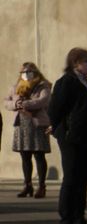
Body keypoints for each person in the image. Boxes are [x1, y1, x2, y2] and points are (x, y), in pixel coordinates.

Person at [46, 47, 87, 224]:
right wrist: (56, 128)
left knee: (83, 179)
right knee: (71, 178)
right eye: (86, 60)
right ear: (75, 63)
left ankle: (80, 218)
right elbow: (56, 108)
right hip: (72, 137)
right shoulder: (67, 82)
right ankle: (66, 219)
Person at [5, 62, 51, 198]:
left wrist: (24, 103)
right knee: (25, 156)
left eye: (29, 71)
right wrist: (15, 104)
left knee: (39, 155)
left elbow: (43, 101)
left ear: (35, 72)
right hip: (21, 124)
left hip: (37, 124)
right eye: (23, 72)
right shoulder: (16, 87)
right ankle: (27, 185)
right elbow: (6, 101)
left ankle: (42, 186)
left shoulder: (43, 86)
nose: (26, 74)